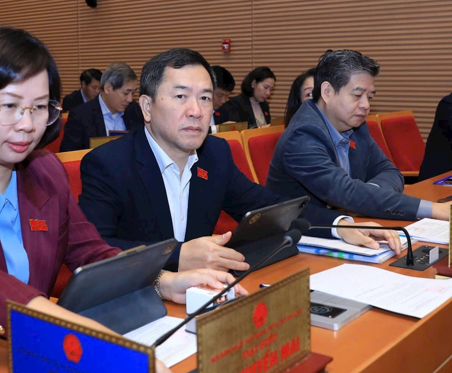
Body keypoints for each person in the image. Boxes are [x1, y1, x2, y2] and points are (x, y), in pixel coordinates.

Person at [0, 26, 242, 373]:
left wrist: (165, 282)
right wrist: (86, 335)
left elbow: (93, 253)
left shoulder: (44, 172)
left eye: (39, 107)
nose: (27, 124)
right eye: (8, 106)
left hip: (32, 357)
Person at [79, 48, 402, 273]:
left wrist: (338, 226)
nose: (196, 110)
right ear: (147, 108)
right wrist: (176, 255)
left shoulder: (215, 155)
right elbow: (95, 252)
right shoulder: (108, 164)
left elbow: (272, 208)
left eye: (205, 98)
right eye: (180, 97)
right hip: (140, 303)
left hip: (203, 297)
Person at [266, 50, 450, 221]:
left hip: (351, 224)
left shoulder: (356, 127)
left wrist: (367, 195)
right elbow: (344, 192)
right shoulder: (303, 135)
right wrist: (433, 210)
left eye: (369, 97)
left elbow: (391, 172)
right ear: (327, 92)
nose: (366, 105)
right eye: (357, 95)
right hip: (303, 234)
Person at [59, 62, 144, 152]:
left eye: (133, 93)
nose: (130, 99)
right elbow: (69, 155)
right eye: (126, 93)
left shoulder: (134, 109)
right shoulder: (80, 116)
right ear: (108, 88)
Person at [210, 65, 235, 130]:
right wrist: (217, 129)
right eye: (220, 95)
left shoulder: (226, 109)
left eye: (227, 96)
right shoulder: (193, 110)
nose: (223, 101)